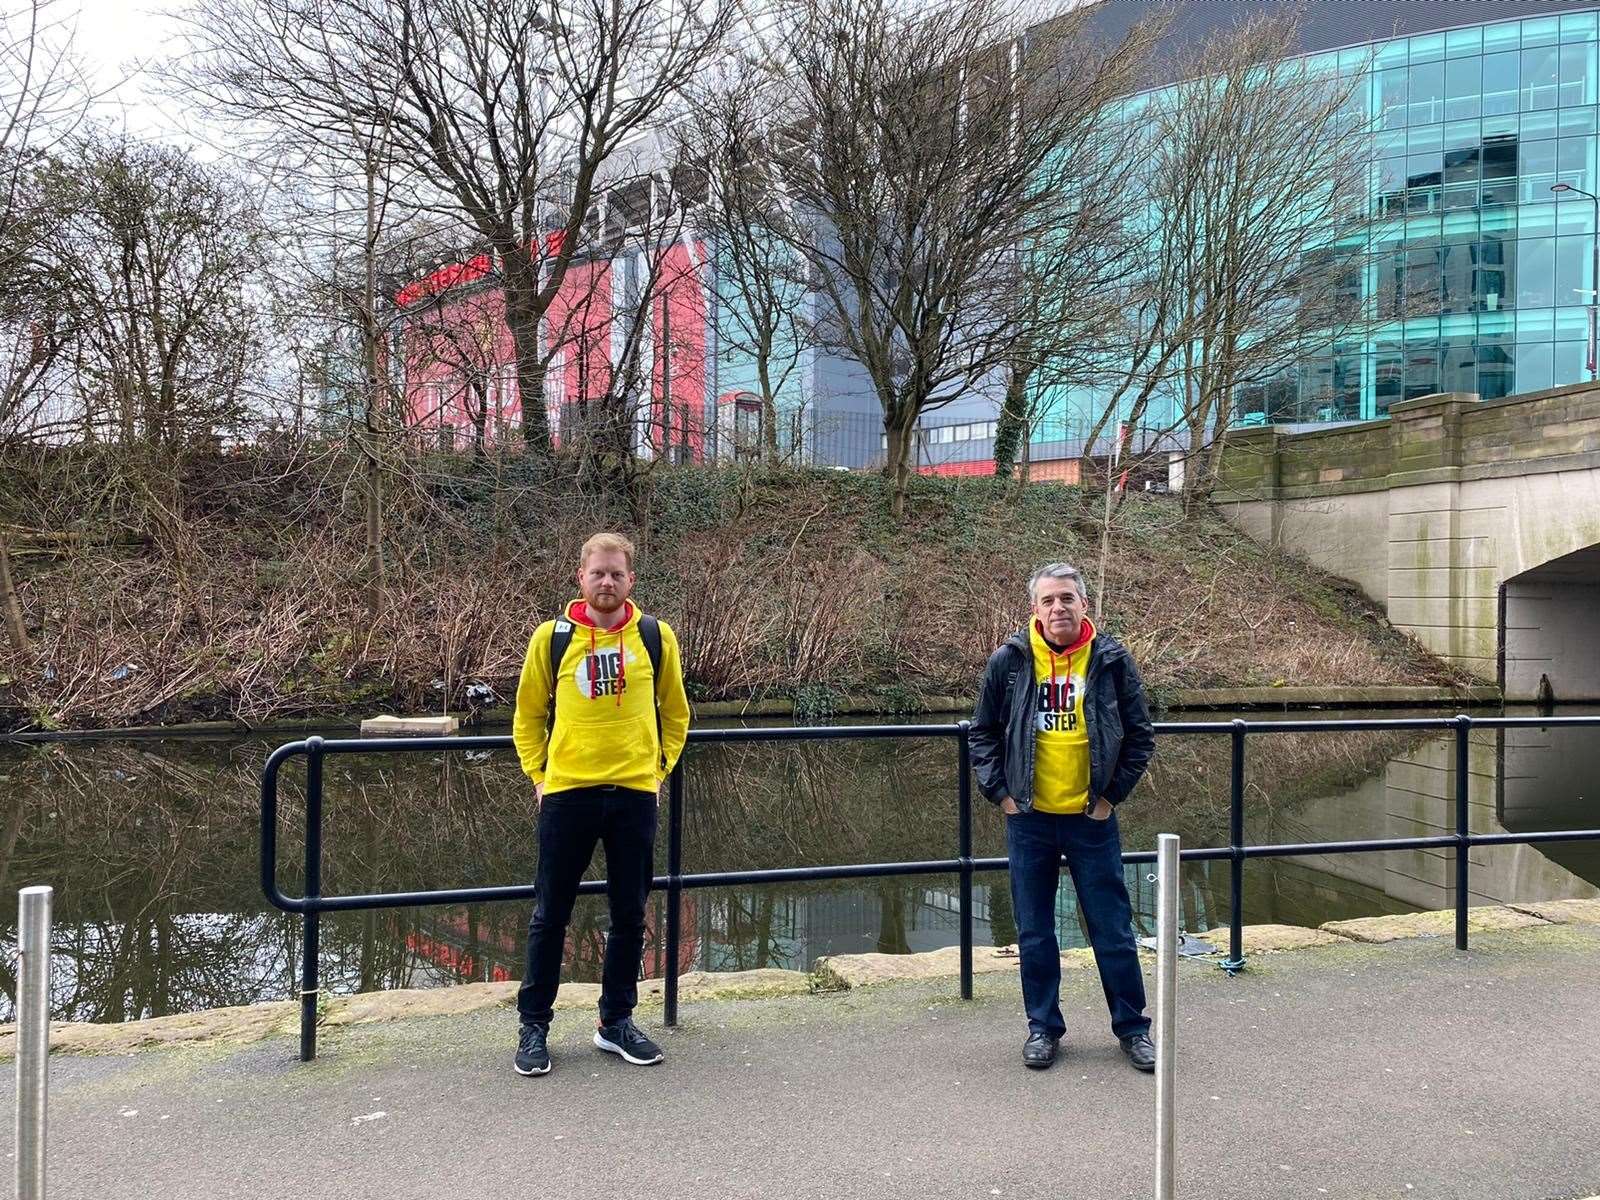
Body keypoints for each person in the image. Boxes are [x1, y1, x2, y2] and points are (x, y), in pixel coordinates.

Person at [509, 532, 690, 1077]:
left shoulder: (656, 639)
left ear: (630, 580)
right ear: (580, 578)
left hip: (634, 795)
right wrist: (540, 776)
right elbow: (527, 716)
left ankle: (615, 1022)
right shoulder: (551, 640)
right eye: (597, 573)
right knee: (550, 915)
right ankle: (534, 1025)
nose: (606, 582)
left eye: (616, 573)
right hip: (567, 794)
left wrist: (657, 772)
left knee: (631, 915)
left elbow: (676, 715)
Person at [970, 562, 1157, 1072]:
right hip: (1029, 819)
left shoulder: (1111, 661)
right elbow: (982, 734)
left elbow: (1140, 736)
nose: (1058, 609)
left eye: (1067, 599)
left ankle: (1133, 1029)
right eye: (1049, 601)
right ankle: (1043, 1029)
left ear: (1083, 605)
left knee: (1112, 928)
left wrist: (1108, 799)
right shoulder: (1009, 662)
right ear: (1035, 609)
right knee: (1033, 931)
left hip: (1089, 818)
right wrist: (1003, 796)